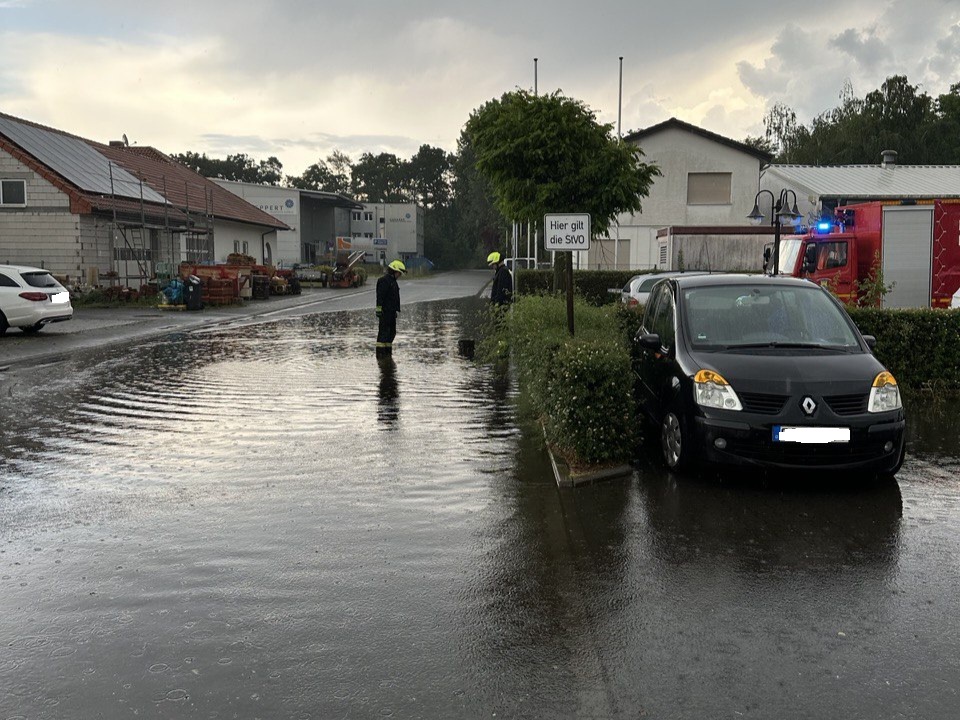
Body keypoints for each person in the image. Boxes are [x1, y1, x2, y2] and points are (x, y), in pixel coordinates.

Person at [375, 260, 406, 353]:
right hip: (385, 312)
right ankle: (380, 355)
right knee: (383, 334)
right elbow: (380, 297)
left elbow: (393, 298)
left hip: (391, 312)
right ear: (394, 271)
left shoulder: (393, 281)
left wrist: (395, 311)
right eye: (399, 273)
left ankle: (388, 354)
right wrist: (379, 310)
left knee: (391, 333)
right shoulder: (384, 281)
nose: (399, 275)